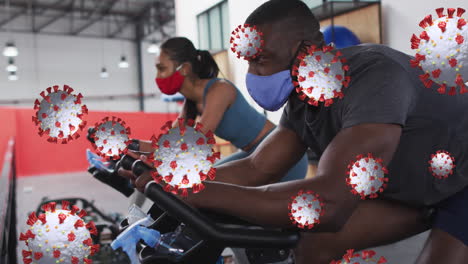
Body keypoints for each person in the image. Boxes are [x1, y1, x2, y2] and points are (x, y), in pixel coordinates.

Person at [123, 1, 468, 263]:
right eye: (249, 61)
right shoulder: (304, 99)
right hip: (412, 183)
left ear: (305, 52)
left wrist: (196, 192)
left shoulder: (376, 77)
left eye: (261, 60)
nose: (253, 73)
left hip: (462, 182)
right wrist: (182, 179)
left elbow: (328, 202)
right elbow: (257, 168)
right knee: (308, 247)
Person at [124, 36, 308, 184]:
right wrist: (130, 146)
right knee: (204, 182)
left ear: (185, 69)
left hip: (281, 152)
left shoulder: (219, 90)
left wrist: (143, 154)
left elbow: (195, 140)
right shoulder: (191, 103)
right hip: (252, 154)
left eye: (161, 69)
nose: (158, 77)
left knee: (206, 185)